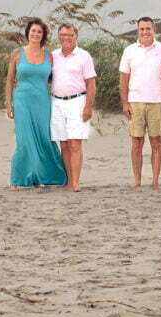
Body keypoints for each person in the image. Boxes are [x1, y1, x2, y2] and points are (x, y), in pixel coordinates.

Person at [6, 18, 67, 189]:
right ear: (28, 33)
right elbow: (10, 80)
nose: (35, 34)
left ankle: (39, 177)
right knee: (24, 140)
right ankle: (17, 180)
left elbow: (53, 79)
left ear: (43, 35)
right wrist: (8, 103)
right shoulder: (17, 53)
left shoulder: (50, 56)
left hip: (42, 102)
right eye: (33, 31)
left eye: (39, 32)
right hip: (22, 101)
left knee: (44, 139)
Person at [119, 16, 161, 189]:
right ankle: (137, 181)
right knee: (136, 143)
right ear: (138, 30)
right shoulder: (130, 51)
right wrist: (125, 103)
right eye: (142, 29)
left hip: (157, 102)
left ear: (153, 30)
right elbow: (124, 79)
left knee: (156, 142)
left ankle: (155, 180)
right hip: (135, 102)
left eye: (148, 28)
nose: (145, 32)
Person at [50, 23, 96, 192]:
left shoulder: (84, 56)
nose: (66, 38)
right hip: (57, 102)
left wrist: (88, 107)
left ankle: (75, 182)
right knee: (64, 144)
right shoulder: (53, 56)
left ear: (76, 37)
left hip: (77, 102)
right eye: (62, 35)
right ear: (58, 37)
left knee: (75, 143)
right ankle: (68, 180)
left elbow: (91, 83)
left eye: (69, 35)